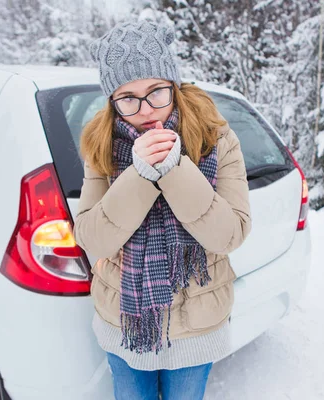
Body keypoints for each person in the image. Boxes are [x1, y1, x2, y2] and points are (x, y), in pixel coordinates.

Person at [74, 19, 251, 400]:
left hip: (197, 322)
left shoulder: (215, 139)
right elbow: (91, 237)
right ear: (112, 102)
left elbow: (229, 234)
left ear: (173, 84)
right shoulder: (102, 145)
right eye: (128, 98)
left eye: (156, 92)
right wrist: (138, 176)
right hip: (125, 322)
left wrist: (173, 170)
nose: (145, 110)